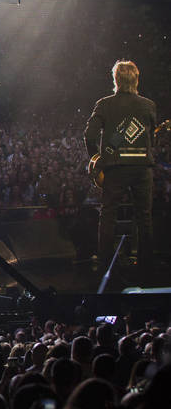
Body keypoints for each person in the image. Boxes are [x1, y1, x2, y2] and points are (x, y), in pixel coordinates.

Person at [84, 60, 158, 274]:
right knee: (144, 216)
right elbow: (150, 138)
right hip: (142, 167)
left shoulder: (105, 104)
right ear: (136, 79)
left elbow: (89, 135)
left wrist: (96, 158)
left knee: (108, 215)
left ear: (115, 79)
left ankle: (106, 264)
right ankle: (146, 265)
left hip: (115, 167)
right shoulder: (149, 105)